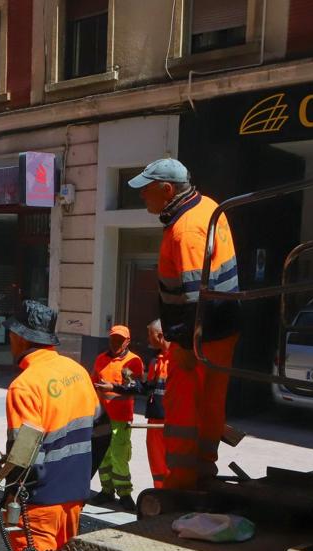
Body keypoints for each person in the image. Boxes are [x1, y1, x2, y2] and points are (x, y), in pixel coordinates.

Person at [130, 159, 240, 491]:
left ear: (166, 190)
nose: (142, 197)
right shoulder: (209, 207)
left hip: (200, 336)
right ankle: (204, 468)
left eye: (146, 191)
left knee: (181, 409)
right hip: (223, 329)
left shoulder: (185, 230)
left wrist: (186, 346)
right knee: (210, 402)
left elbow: (195, 297)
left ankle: (181, 479)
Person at [4, 300, 100, 551]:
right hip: (74, 495)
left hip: (41, 503)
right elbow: (103, 429)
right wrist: (82, 475)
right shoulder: (77, 372)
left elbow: (24, 455)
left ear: (20, 337)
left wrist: (10, 496)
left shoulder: (25, 386)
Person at [92, 324, 144, 510]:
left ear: (127, 341)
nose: (115, 343)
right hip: (101, 417)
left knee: (119, 456)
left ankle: (124, 493)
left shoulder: (133, 361)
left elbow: (135, 388)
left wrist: (112, 388)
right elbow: (93, 384)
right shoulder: (100, 359)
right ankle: (106, 490)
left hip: (120, 418)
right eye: (113, 339)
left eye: (120, 340)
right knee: (103, 456)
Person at [144, 319, 171, 489]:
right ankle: (159, 493)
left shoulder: (175, 361)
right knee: (156, 463)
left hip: (169, 423)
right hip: (154, 422)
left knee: (169, 464)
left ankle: (168, 493)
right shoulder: (156, 361)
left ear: (160, 336)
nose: (148, 339)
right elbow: (148, 387)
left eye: (150, 335)